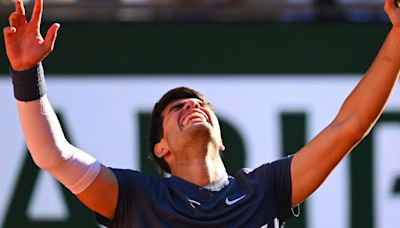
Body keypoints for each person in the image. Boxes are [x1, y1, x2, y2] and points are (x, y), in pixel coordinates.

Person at [3, 0, 400, 227]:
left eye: (200, 104)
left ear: (222, 139)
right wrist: (24, 73)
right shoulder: (135, 199)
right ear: (161, 148)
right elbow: (52, 155)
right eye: (178, 107)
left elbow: (350, 126)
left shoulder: (265, 190)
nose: (193, 105)